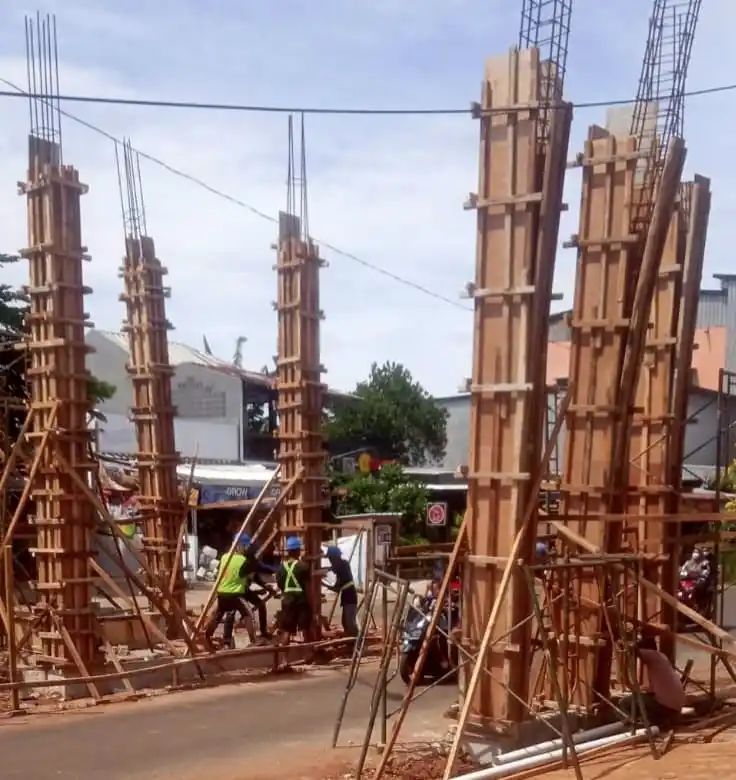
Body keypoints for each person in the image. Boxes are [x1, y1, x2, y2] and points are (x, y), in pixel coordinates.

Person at [204, 534, 256, 648]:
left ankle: (207, 636)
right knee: (248, 615)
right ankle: (253, 641)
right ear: (240, 546)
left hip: (222, 593)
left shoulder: (224, 557)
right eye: (245, 546)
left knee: (218, 615)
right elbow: (250, 577)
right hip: (236, 594)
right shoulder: (243, 560)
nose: (246, 549)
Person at [222, 534, 277, 642]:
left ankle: (263, 631)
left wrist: (264, 586)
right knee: (231, 612)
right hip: (234, 590)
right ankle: (227, 639)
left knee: (261, 604)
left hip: (244, 590)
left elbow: (254, 575)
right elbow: (262, 569)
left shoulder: (250, 559)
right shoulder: (232, 558)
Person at [275, 536, 314, 646]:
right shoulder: (304, 566)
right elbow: (308, 587)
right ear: (298, 551)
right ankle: (307, 655)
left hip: (287, 601)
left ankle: (284, 660)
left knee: (286, 630)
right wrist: (312, 603)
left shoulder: (281, 567)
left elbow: (280, 585)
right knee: (304, 629)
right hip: (302, 601)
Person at [325, 546, 358, 637]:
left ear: (335, 557)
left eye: (331, 558)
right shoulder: (340, 572)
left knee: (349, 622)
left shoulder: (343, 564)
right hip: (347, 596)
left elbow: (335, 567)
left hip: (350, 596)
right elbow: (336, 588)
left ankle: (356, 641)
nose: (330, 560)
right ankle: (351, 640)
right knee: (345, 622)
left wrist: (325, 570)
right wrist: (324, 584)